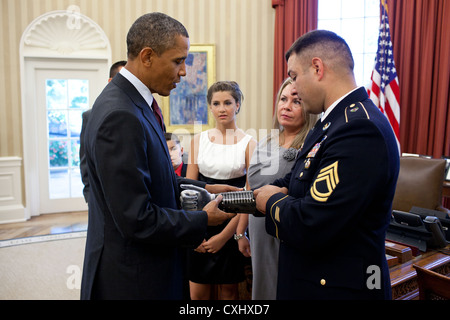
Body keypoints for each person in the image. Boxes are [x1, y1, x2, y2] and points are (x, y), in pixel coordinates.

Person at [80, 13, 236, 300]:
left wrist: (207, 189)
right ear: (148, 56)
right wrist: (204, 219)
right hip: (134, 279)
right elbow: (137, 219)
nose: (185, 72)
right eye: (178, 61)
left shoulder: (138, 102)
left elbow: (154, 178)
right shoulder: (120, 115)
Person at [254, 30, 400, 300]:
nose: (293, 88)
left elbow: (312, 222)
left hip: (336, 289)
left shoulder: (359, 129)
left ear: (317, 68)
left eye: (294, 76)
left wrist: (268, 201)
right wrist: (251, 195)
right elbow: (298, 181)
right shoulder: (331, 123)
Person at [238, 78, 318, 300]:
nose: (286, 106)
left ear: (309, 108)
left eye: (296, 101)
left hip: (284, 228)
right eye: (283, 99)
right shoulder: (266, 140)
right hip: (256, 227)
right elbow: (249, 186)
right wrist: (240, 233)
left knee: (279, 287)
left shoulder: (311, 146)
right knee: (261, 286)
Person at [186, 81, 256, 300]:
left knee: (229, 292)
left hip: (232, 224)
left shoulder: (249, 143)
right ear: (210, 107)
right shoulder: (198, 140)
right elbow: (189, 192)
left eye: (227, 102)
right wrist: (193, 235)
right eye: (216, 103)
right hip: (200, 224)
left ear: (237, 105)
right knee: (198, 293)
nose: (222, 108)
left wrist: (227, 237)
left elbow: (249, 198)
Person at [79, 60, 126, 202]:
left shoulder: (143, 113)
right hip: (101, 197)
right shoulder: (91, 116)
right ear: (111, 81)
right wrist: (89, 196)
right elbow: (85, 160)